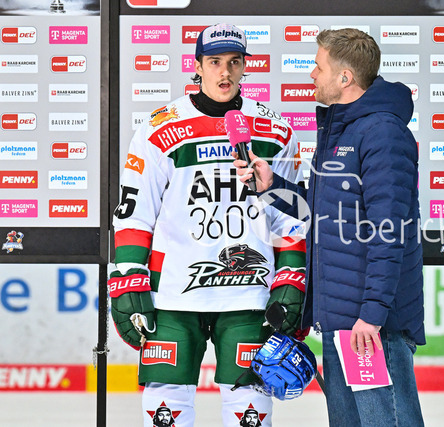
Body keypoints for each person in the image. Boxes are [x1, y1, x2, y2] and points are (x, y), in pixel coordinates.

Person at [109, 23, 306, 427]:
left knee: (250, 406)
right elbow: (135, 211)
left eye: (235, 62)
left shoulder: (275, 130)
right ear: (197, 66)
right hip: (175, 294)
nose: (225, 72)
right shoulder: (159, 128)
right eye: (214, 62)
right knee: (166, 407)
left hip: (250, 293)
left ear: (245, 66)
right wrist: (128, 276)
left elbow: (289, 215)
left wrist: (291, 275)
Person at [234, 28, 425, 426]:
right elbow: (322, 212)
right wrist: (272, 186)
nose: (312, 75)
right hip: (343, 322)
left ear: (345, 77)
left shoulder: (382, 134)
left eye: (318, 67)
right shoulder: (342, 132)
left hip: (371, 328)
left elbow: (388, 233)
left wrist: (372, 315)